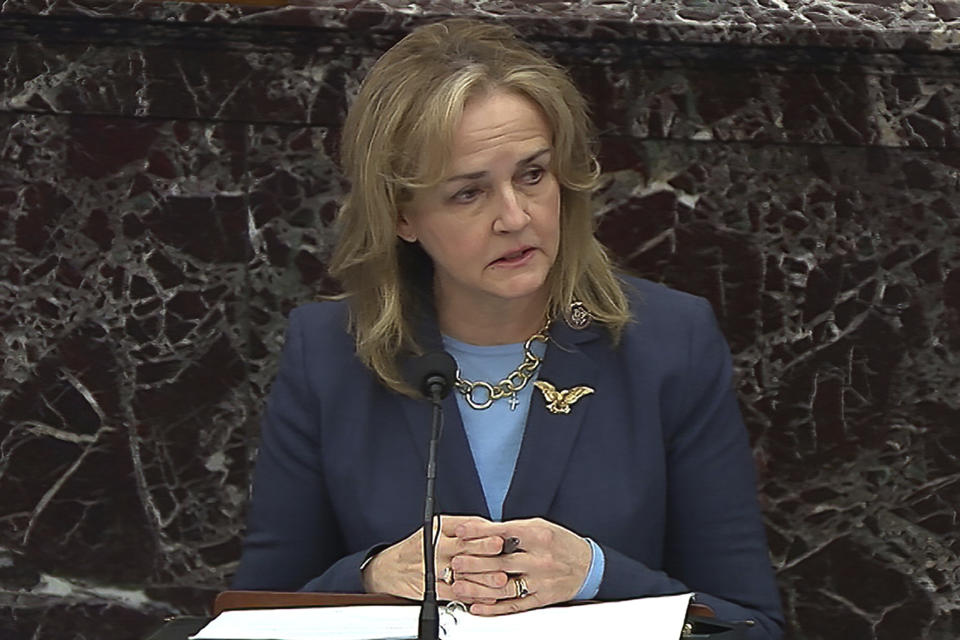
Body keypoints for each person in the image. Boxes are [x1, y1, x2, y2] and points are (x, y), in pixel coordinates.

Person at [232, 18, 784, 638]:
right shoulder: (328, 351)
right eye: (469, 194)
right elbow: (261, 614)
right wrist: (370, 576)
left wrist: (598, 574)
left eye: (532, 174)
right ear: (402, 215)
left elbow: (751, 626)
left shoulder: (669, 343)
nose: (515, 218)